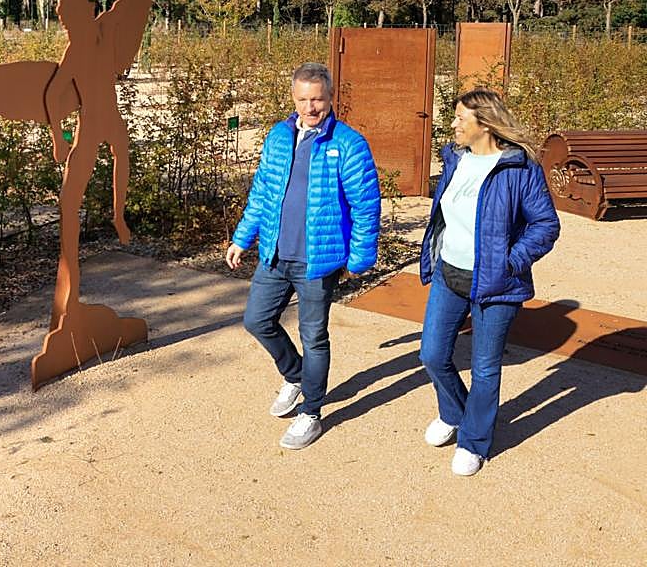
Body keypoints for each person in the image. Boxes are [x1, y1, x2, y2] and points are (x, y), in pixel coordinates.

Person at [226, 62, 380, 449]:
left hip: (317, 262)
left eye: (318, 100)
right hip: (275, 254)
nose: (310, 108)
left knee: (313, 336)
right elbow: (262, 192)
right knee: (257, 320)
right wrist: (243, 238)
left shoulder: (349, 144)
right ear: (293, 99)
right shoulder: (279, 137)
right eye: (303, 100)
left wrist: (359, 258)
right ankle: (295, 375)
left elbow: (365, 206)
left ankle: (311, 412)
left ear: (331, 98)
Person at [418, 87, 559, 476]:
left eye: (460, 118)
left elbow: (546, 225)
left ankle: (474, 441)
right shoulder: (455, 158)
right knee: (431, 354)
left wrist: (510, 262)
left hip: (498, 285)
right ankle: (455, 413)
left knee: (484, 368)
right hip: (449, 273)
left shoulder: (519, 167)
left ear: (485, 123)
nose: (453, 124)